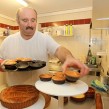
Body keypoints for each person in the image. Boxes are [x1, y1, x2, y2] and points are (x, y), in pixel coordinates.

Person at [0, 7, 89, 86]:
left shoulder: (44, 38)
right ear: (18, 21)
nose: (30, 25)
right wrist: (3, 65)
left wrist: (69, 57)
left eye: (33, 20)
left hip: (40, 93)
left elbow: (59, 49)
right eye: (25, 20)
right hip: (13, 94)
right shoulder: (8, 41)